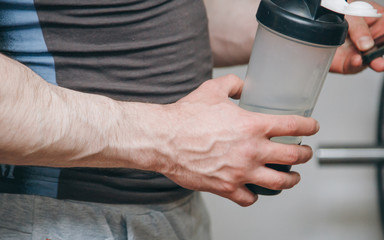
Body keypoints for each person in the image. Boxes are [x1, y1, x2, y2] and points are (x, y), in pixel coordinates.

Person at [0, 0, 383, 239]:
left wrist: (296, 33)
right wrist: (168, 139)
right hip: (59, 218)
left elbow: (145, 14)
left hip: (172, 212)